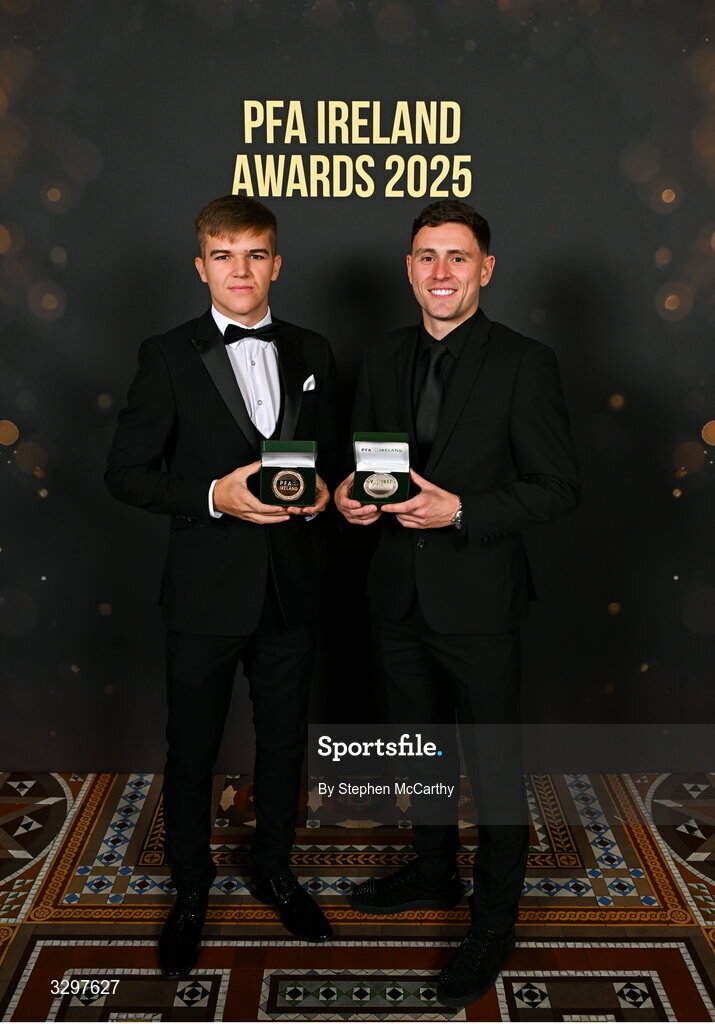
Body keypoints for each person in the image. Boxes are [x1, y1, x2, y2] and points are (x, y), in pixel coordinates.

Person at [335, 199, 579, 1008]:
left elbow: (554, 488)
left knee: (494, 769)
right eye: (426, 257)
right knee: (421, 752)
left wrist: (463, 511)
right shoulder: (379, 357)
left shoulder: (523, 363)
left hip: (478, 602)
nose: (440, 273)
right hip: (394, 594)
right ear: (408, 268)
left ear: (485, 268)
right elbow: (365, 464)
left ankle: (492, 923)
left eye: (457, 258)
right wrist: (347, 497)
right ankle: (433, 873)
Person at [106, 195, 338, 978]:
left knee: (282, 744)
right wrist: (214, 495)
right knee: (193, 751)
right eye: (223, 255)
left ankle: (275, 868)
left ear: (277, 262)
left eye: (256, 254)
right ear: (200, 265)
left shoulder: (313, 349)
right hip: (206, 590)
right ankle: (192, 890)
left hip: (291, 589)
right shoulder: (166, 355)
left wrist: (323, 492)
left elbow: (326, 460)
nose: (240, 271)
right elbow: (127, 475)